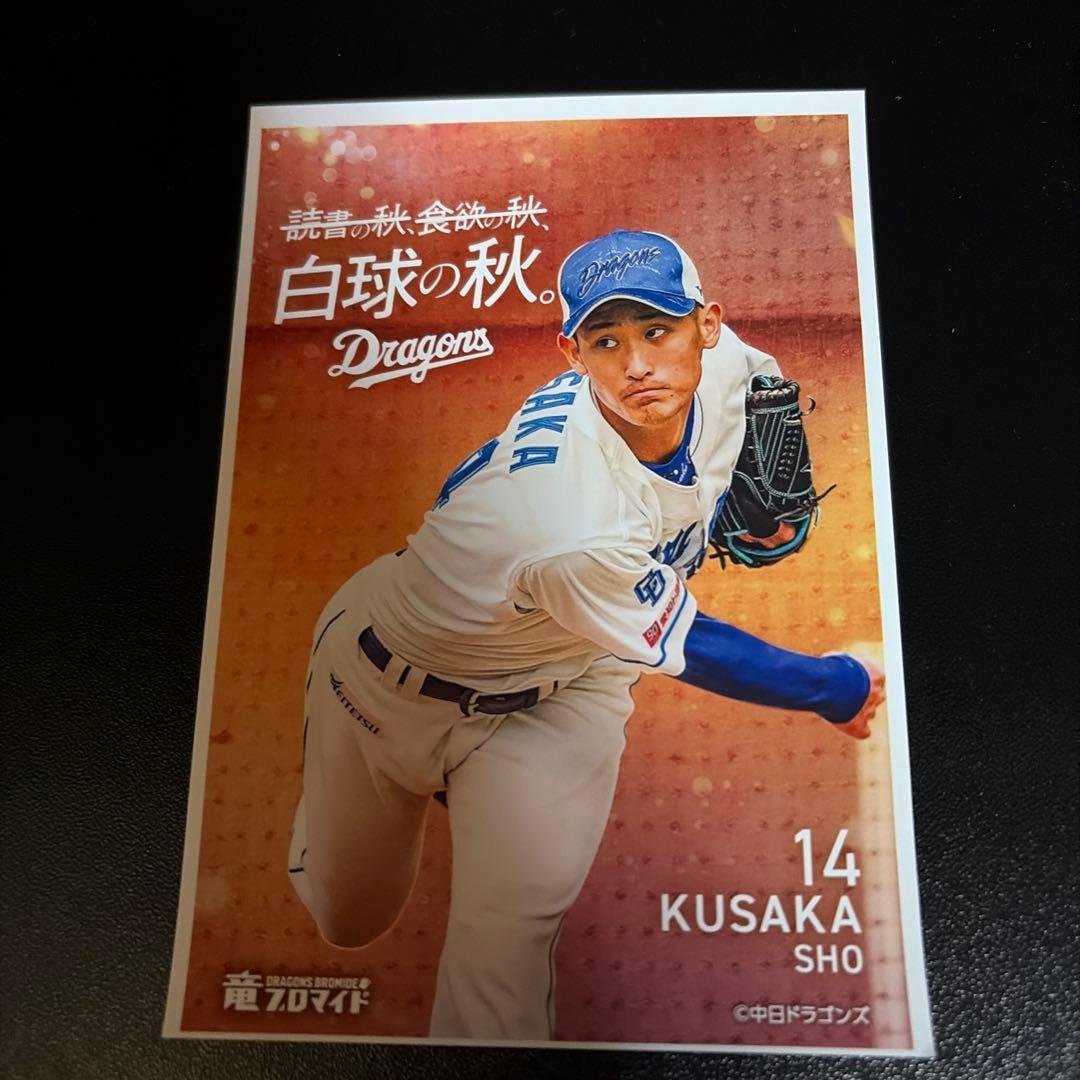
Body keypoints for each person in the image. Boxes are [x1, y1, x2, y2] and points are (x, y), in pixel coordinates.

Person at [287, 229, 885, 1041]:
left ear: (709, 325)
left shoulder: (738, 368)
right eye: (606, 341)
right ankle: (364, 806)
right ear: (572, 353)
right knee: (349, 921)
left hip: (569, 686)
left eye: (658, 330)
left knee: (507, 945)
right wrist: (837, 687)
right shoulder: (563, 520)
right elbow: (694, 645)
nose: (637, 363)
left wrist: (760, 522)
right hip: (385, 683)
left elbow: (759, 455)